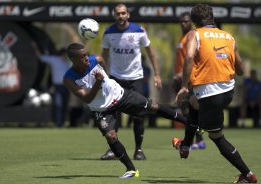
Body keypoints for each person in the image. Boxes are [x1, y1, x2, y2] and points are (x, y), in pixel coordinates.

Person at [63, 43, 187, 178]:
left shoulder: (96, 60)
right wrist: (98, 82)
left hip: (120, 95)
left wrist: (106, 79)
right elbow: (86, 98)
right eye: (82, 57)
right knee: (111, 136)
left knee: (154, 106)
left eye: (86, 54)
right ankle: (131, 170)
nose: (87, 58)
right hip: (102, 109)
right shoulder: (69, 78)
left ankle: (190, 123)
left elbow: (102, 62)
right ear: (72, 59)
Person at [174, 4, 257, 183]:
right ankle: (186, 145)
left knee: (217, 138)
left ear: (195, 21)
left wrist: (183, 86)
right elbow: (241, 69)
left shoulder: (195, 34)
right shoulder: (228, 36)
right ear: (212, 18)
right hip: (228, 91)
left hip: (210, 94)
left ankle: (248, 175)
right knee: (194, 102)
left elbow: (188, 58)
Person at [101, 3, 162, 160]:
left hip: (135, 79)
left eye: (123, 13)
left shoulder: (139, 30)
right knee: (113, 114)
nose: (120, 16)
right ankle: (113, 150)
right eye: (117, 14)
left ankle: (139, 150)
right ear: (114, 16)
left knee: (138, 114)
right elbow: (104, 56)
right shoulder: (108, 32)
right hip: (115, 78)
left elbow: (151, 53)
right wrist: (102, 75)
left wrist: (157, 74)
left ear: (128, 14)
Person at [171, 11, 206, 150]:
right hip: (181, 78)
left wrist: (181, 74)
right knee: (186, 110)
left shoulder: (191, 36)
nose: (183, 23)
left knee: (190, 110)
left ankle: (195, 141)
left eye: (186, 21)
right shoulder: (182, 37)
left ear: (191, 22)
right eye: (181, 21)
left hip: (188, 79)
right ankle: (197, 140)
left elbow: (191, 59)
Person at [35, 46, 71, 128]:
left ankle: (62, 123)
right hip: (58, 86)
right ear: (63, 54)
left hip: (67, 86)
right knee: (58, 105)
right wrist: (35, 47)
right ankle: (57, 123)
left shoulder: (67, 62)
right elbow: (41, 57)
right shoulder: (54, 60)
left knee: (64, 105)